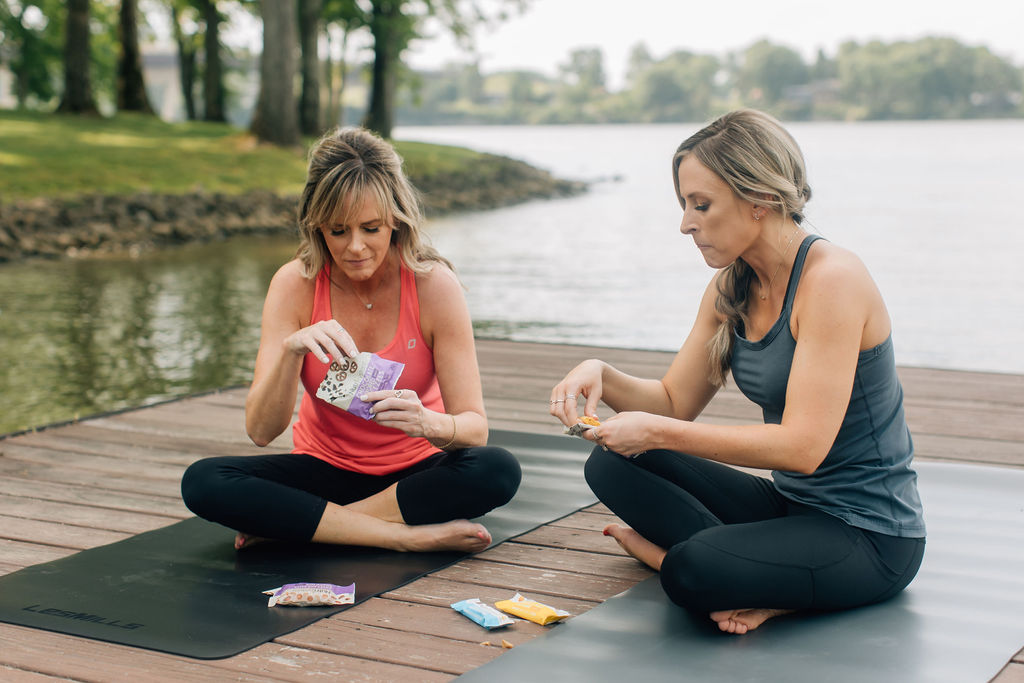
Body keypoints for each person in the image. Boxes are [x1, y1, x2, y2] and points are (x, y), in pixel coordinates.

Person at [549, 109, 925, 634]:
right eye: (684, 205)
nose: (685, 223)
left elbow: (802, 449)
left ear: (761, 200)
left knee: (693, 568)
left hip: (870, 537)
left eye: (701, 205)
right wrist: (602, 374)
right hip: (793, 507)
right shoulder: (732, 287)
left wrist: (655, 432)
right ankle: (742, 567)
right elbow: (674, 403)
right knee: (610, 464)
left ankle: (692, 563)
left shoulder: (832, 280)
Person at [182, 127, 521, 554]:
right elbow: (261, 432)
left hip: (415, 472)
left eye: (371, 228)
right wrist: (292, 352)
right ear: (316, 225)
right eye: (338, 231)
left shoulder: (434, 286)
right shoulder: (294, 284)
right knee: (203, 481)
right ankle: (400, 537)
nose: (356, 247)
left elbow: (474, 428)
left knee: (496, 469)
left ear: (396, 219)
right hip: (324, 472)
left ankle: (318, 525)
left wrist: (429, 423)